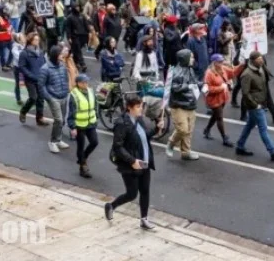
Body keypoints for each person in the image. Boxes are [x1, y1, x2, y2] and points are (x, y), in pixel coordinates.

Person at [106, 95, 157, 230]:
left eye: (141, 106)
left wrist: (157, 128)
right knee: (132, 194)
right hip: (131, 164)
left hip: (144, 161)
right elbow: (118, 146)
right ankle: (111, 206)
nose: (141, 109)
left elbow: (145, 136)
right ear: (129, 107)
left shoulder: (139, 120)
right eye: (138, 106)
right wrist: (132, 161)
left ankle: (144, 219)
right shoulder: (122, 123)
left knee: (145, 191)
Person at [236, 52, 274, 162]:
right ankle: (273, 151)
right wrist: (255, 105)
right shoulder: (247, 74)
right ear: (253, 60)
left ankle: (240, 145)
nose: (261, 60)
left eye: (261, 58)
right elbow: (245, 93)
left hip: (261, 103)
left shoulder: (261, 69)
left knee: (249, 125)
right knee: (263, 129)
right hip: (255, 106)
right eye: (259, 59)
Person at [165, 49, 200, 160]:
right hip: (178, 105)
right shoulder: (175, 71)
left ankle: (186, 152)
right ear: (185, 58)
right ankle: (171, 143)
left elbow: (194, 83)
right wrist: (187, 86)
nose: (193, 59)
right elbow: (174, 88)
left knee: (189, 131)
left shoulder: (190, 70)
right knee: (183, 129)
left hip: (190, 103)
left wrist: (203, 84)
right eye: (191, 57)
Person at [40, 45, 72, 153]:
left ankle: (58, 139)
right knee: (59, 120)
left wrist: (66, 91)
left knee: (62, 120)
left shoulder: (62, 66)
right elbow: (41, 85)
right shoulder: (45, 68)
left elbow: (66, 79)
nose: (62, 55)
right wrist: (49, 98)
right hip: (54, 98)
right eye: (60, 54)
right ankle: (52, 142)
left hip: (63, 96)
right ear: (55, 55)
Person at [67, 73, 99, 178]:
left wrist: (96, 117)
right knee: (80, 146)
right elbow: (71, 112)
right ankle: (83, 167)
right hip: (79, 125)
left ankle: (83, 158)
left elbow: (95, 105)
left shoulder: (90, 91)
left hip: (90, 123)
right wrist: (73, 127)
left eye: (87, 82)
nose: (86, 84)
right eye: (84, 82)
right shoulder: (74, 95)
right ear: (78, 83)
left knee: (94, 142)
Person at [18, 33, 49, 126]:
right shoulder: (24, 53)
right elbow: (22, 67)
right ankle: (23, 111)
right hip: (30, 79)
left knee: (41, 98)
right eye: (35, 40)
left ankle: (40, 118)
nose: (37, 41)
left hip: (40, 78)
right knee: (33, 97)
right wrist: (30, 75)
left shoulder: (40, 52)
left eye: (38, 40)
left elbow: (44, 63)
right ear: (30, 40)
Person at [203, 54, 235, 146]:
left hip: (222, 97)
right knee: (219, 117)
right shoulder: (209, 73)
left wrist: (242, 65)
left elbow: (233, 72)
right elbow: (207, 89)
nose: (222, 63)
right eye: (219, 62)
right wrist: (221, 88)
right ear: (214, 62)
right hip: (214, 99)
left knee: (215, 115)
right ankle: (224, 137)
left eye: (222, 61)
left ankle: (207, 130)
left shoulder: (222, 69)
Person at [64, 4, 92, 72]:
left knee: (75, 50)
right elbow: (68, 28)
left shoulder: (81, 15)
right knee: (78, 50)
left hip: (83, 35)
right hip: (74, 36)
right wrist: (69, 37)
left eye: (78, 7)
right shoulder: (70, 17)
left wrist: (89, 31)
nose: (78, 8)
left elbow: (86, 24)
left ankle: (74, 61)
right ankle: (83, 64)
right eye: (76, 7)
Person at [11, 33, 25, 105]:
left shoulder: (24, 45)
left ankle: (33, 97)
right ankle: (18, 99)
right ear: (18, 39)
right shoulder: (15, 47)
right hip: (18, 68)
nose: (24, 38)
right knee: (18, 83)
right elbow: (18, 57)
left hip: (25, 67)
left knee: (30, 83)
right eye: (22, 37)